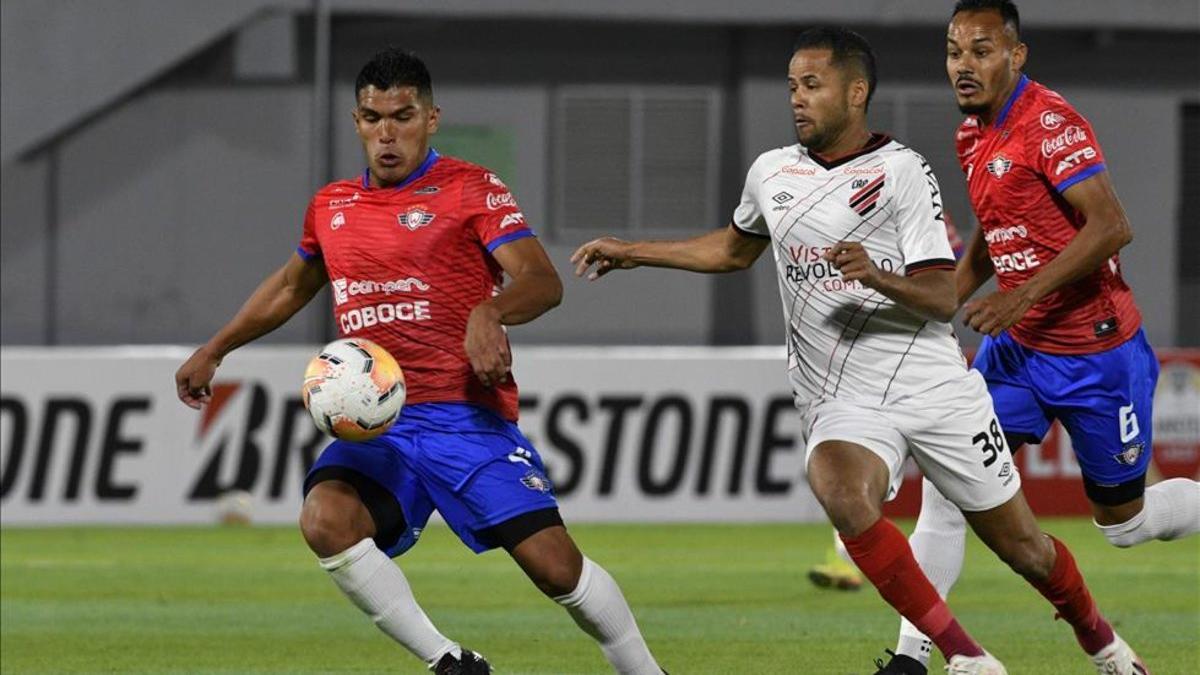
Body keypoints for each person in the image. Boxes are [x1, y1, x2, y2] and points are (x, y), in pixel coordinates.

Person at [572, 26, 1147, 675]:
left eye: (812, 86)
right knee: (840, 490)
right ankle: (964, 656)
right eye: (792, 86)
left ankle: (1103, 641)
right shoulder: (771, 173)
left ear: (855, 92)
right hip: (842, 396)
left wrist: (876, 275)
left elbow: (938, 297)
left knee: (1027, 550)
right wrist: (634, 251)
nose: (797, 99)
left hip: (931, 386)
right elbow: (732, 249)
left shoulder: (901, 171)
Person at [175, 48, 664, 675]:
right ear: (356, 121)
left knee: (555, 568)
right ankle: (450, 662)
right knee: (325, 519)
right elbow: (293, 286)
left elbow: (542, 282)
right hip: (380, 426)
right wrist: (216, 349)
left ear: (432, 118)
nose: (387, 133)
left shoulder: (472, 190)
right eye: (373, 118)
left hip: (465, 417)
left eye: (403, 116)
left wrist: (488, 314)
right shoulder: (332, 206)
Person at [872, 2, 1199, 673]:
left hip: (1096, 353)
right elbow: (996, 229)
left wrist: (1020, 294)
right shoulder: (972, 133)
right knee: (946, 481)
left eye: (981, 50)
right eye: (954, 50)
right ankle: (912, 657)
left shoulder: (1050, 124)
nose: (964, 65)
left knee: (1125, 526)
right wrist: (947, 301)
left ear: (1016, 56)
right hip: (1017, 352)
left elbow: (1111, 225)